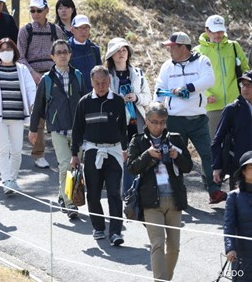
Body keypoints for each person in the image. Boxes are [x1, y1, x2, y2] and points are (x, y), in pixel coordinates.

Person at [127, 102, 193, 282]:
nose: (159, 126)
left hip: (174, 199)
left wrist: (176, 155)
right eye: (154, 122)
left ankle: (166, 279)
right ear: (146, 121)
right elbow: (132, 168)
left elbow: (188, 167)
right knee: (157, 244)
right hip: (151, 202)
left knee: (174, 247)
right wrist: (148, 154)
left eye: (162, 122)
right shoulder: (138, 140)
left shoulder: (176, 139)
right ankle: (160, 280)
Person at [155, 31, 222, 204]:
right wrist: (155, 110)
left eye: (172, 47)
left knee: (208, 155)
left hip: (198, 119)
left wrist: (188, 88)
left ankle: (214, 191)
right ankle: (177, 194)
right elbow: (159, 89)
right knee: (175, 158)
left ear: (183, 47)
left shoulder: (202, 61)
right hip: (175, 120)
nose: (169, 50)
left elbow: (209, 80)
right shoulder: (167, 66)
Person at [71, 65, 128, 246]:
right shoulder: (84, 102)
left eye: (104, 82)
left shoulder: (118, 101)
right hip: (92, 151)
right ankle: (98, 227)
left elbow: (123, 129)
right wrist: (74, 154)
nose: (101, 86)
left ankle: (116, 232)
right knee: (93, 193)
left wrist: (125, 149)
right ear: (91, 82)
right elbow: (77, 131)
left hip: (114, 151)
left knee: (114, 193)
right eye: (97, 83)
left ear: (109, 81)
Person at [30, 39, 86, 218]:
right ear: (52, 57)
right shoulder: (47, 80)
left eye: (65, 52)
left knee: (76, 166)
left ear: (70, 54)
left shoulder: (78, 75)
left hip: (78, 130)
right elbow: (38, 107)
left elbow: (85, 102)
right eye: (59, 52)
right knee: (65, 165)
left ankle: (62, 196)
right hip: (57, 129)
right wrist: (32, 130)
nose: (62, 55)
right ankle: (70, 204)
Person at [0, 38, 36, 194]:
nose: (6, 53)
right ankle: (6, 181)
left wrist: (33, 105)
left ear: (14, 51)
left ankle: (12, 178)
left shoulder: (22, 69)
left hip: (17, 115)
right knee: (3, 149)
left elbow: (31, 89)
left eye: (9, 49)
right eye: (2, 50)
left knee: (17, 150)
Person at [17, 0, 66, 169]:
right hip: (33, 75)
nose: (35, 14)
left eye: (38, 10)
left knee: (60, 113)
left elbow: (63, 51)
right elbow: (20, 56)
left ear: (46, 10)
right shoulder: (25, 31)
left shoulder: (56, 30)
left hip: (53, 75)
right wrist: (33, 74)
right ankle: (38, 154)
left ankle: (63, 153)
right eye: (32, 10)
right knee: (37, 116)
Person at [105, 37, 152, 195]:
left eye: (124, 50)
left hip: (136, 121)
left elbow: (148, 97)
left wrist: (136, 98)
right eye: (117, 51)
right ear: (111, 55)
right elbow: (101, 98)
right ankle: (119, 192)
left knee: (134, 157)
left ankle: (131, 193)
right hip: (115, 123)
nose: (121, 53)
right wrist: (118, 99)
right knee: (118, 158)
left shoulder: (138, 73)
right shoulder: (106, 75)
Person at [195, 15, 249, 138]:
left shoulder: (234, 46)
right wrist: (206, 95)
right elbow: (194, 79)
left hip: (237, 103)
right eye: (214, 31)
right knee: (215, 144)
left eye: (220, 31)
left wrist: (244, 90)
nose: (218, 34)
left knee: (240, 142)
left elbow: (245, 70)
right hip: (212, 107)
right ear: (207, 30)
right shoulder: (198, 52)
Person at [212, 71, 252, 189]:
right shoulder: (232, 109)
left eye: (248, 85)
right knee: (239, 204)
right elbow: (217, 140)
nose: (244, 88)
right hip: (239, 168)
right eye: (242, 85)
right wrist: (217, 167)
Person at [224, 150, 252, 280]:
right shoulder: (233, 197)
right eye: (251, 167)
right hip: (242, 256)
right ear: (243, 171)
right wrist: (230, 249)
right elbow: (228, 226)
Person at [68, 14, 101, 91]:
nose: (84, 31)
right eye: (80, 28)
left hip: (93, 94)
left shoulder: (94, 49)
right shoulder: (66, 49)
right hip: (73, 95)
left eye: (86, 28)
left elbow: (100, 73)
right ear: (72, 30)